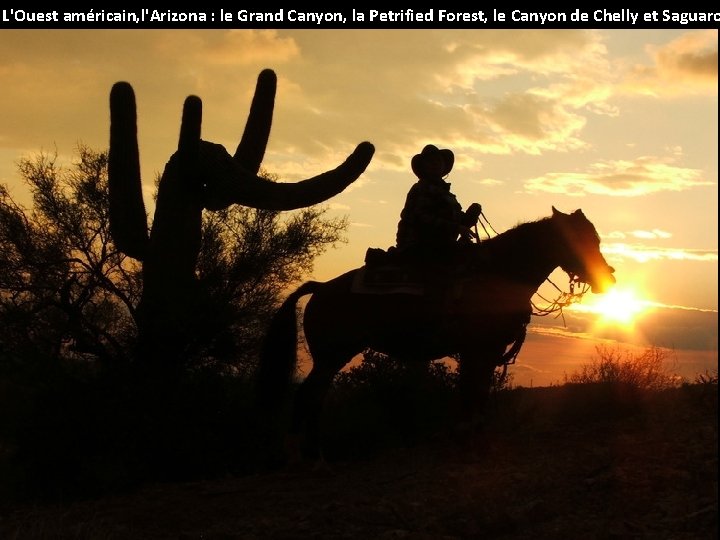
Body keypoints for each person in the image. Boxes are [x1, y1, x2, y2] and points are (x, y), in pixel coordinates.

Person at [395, 144, 481, 264]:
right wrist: (456, 227)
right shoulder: (421, 188)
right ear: (424, 167)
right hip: (419, 245)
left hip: (442, 244)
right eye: (430, 161)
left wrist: (470, 217)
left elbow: (455, 219)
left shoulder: (447, 194)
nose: (435, 164)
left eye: (438, 161)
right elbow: (422, 218)